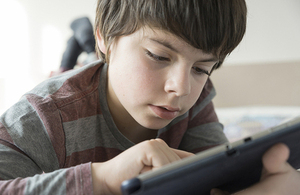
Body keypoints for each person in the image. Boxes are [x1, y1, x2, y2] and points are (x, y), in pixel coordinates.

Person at [0, 0, 299, 195]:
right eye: (158, 56)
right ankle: (81, 40)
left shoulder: (196, 99)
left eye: (201, 68)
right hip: (89, 72)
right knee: (76, 63)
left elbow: (215, 178)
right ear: (106, 35)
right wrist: (101, 179)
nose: (180, 89)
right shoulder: (42, 115)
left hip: (107, 63)